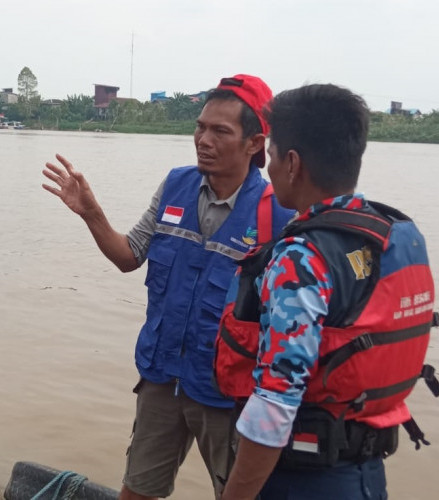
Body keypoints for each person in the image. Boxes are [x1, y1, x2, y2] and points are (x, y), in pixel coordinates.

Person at [43, 74, 295, 500]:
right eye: (200, 127)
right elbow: (129, 256)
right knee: (137, 490)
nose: (203, 139)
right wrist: (91, 213)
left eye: (220, 131)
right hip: (161, 377)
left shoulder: (277, 214)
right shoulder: (176, 184)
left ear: (254, 143)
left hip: (228, 393)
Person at [214, 83, 439, 500]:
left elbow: (275, 403)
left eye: (270, 156)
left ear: (292, 163)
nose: (266, 169)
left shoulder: (300, 257)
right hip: (367, 474)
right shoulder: (396, 236)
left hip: (303, 481)